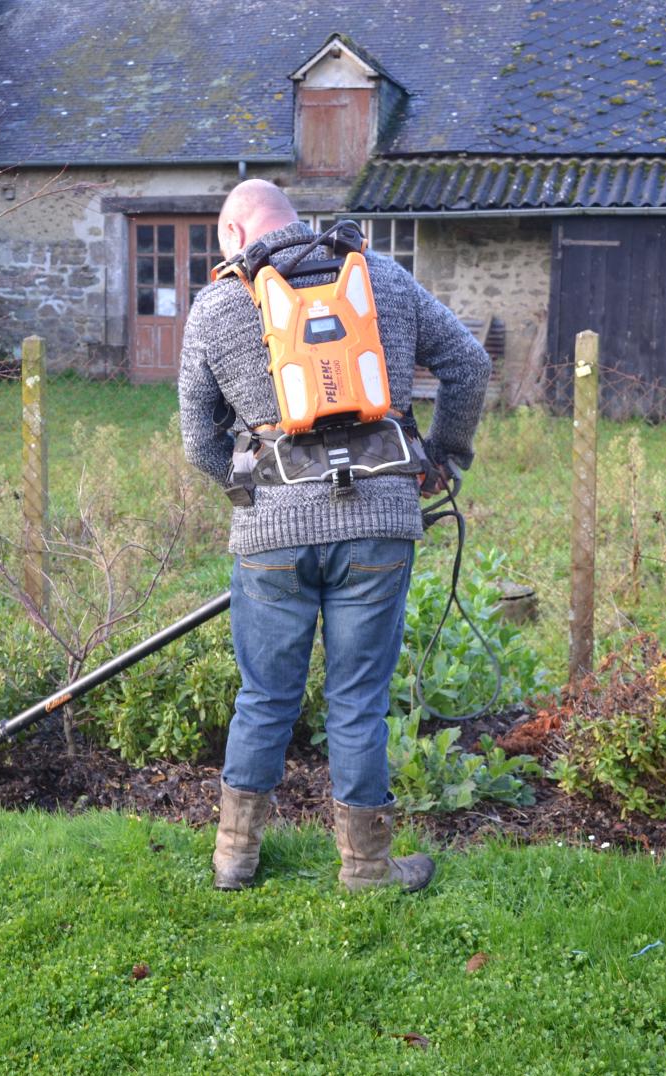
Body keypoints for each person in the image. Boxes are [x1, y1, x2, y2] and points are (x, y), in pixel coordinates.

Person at [177, 179, 491, 892]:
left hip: (272, 531)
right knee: (359, 697)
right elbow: (469, 364)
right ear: (295, 218)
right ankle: (367, 867)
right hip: (378, 523)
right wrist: (442, 458)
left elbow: (199, 439)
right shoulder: (379, 276)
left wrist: (244, 488)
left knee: (263, 695)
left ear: (234, 233)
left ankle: (235, 857)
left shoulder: (220, 303)